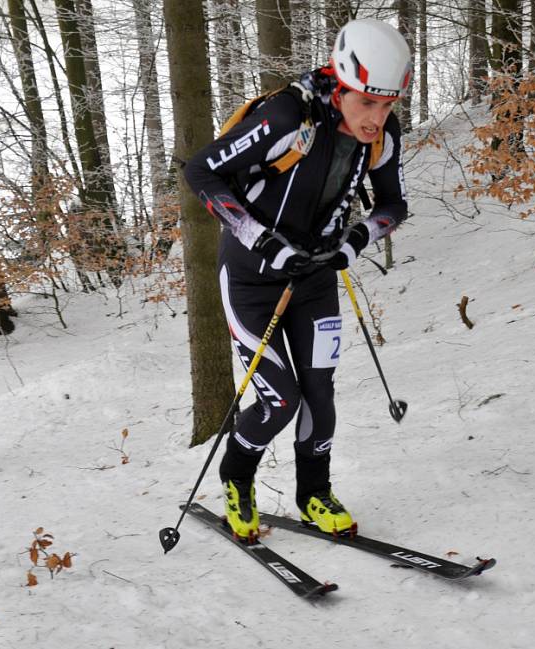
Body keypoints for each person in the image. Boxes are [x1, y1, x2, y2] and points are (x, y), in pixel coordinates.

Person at [184, 18, 411, 541]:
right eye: (366, 102)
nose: (376, 118)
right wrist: (260, 239)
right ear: (340, 80)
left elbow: (394, 205)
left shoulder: (383, 134)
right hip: (250, 280)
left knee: (319, 393)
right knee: (278, 398)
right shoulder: (288, 116)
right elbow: (202, 171)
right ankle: (236, 480)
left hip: (315, 277)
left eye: (388, 104)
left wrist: (356, 240)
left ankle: (314, 492)